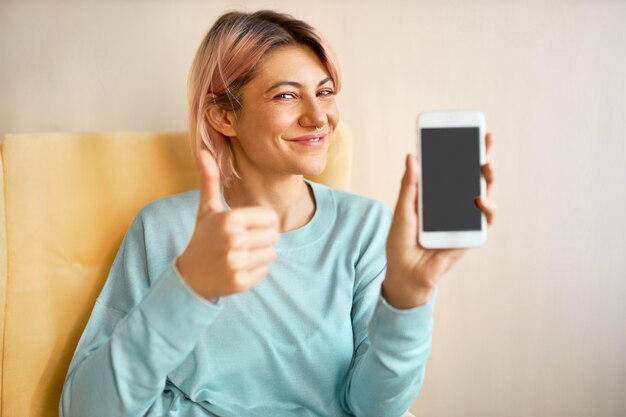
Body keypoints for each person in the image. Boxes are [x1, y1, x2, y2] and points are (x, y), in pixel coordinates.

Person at [60, 10, 496, 417]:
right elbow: (83, 408)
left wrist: (408, 296)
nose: (318, 117)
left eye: (324, 92)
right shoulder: (161, 229)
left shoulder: (367, 227)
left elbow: (373, 408)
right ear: (224, 115)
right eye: (287, 95)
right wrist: (187, 288)